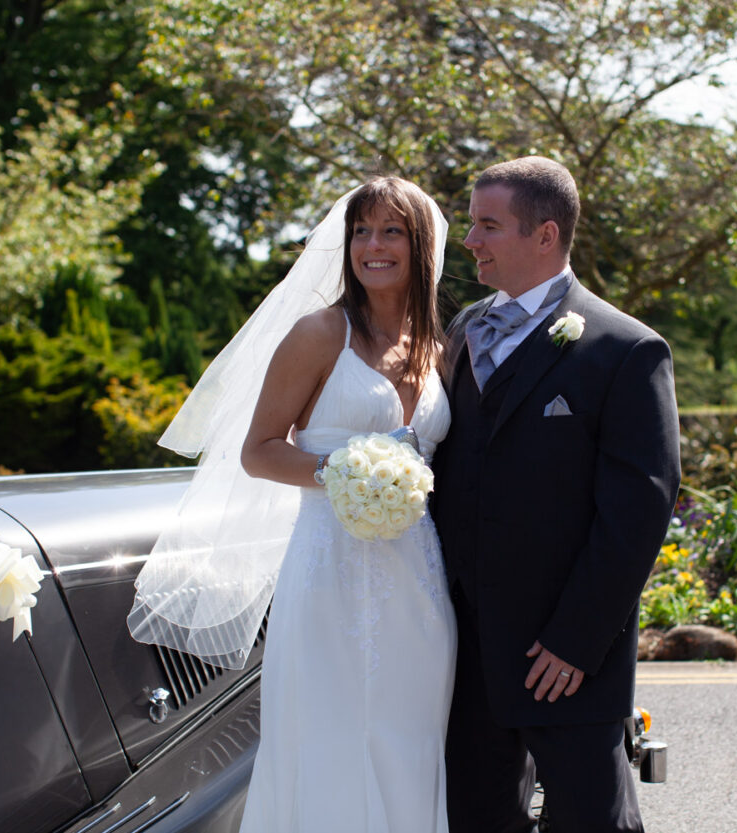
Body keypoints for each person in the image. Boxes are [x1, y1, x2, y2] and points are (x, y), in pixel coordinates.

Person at [127, 178, 456, 832]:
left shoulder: (437, 345)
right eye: (361, 230)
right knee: (332, 737)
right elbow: (258, 450)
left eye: (392, 231)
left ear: (422, 247)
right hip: (330, 571)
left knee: (411, 739)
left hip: (418, 580)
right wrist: (337, 469)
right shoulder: (319, 334)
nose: (372, 245)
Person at [432, 156, 681, 833]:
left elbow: (639, 509)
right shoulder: (460, 333)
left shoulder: (626, 349)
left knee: (592, 821)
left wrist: (575, 639)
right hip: (465, 648)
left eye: (488, 225)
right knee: (477, 818)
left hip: (562, 657)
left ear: (545, 235)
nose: (470, 241)